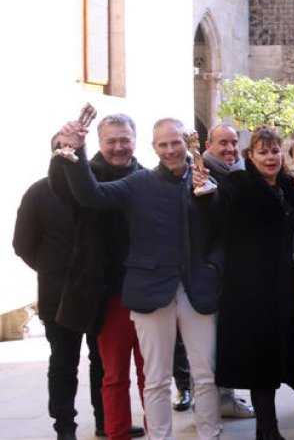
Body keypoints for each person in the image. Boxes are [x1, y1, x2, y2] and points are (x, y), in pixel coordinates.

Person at [54, 117, 222, 440]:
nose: (171, 150)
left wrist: (214, 266)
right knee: (156, 378)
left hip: (196, 290)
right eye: (163, 144)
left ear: (186, 144)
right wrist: (77, 151)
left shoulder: (205, 179)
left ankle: (210, 435)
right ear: (154, 147)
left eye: (176, 143)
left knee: (206, 375)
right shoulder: (139, 183)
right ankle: (159, 437)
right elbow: (90, 195)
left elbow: (221, 230)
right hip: (150, 290)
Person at [193, 127, 294, 440]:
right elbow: (216, 209)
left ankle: (268, 429)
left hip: (284, 286)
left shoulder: (288, 187)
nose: (270, 157)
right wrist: (203, 193)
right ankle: (267, 431)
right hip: (251, 291)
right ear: (250, 156)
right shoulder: (238, 184)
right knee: (261, 363)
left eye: (274, 151)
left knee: (276, 358)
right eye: (263, 152)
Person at [45, 113, 147, 440]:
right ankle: (100, 431)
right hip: (101, 293)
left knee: (152, 375)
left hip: (147, 292)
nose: (118, 147)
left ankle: (153, 431)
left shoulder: (146, 177)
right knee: (108, 372)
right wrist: (68, 152)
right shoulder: (85, 175)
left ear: (135, 140)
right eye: (111, 141)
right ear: (100, 143)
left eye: (124, 140)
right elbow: (64, 187)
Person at [16, 160, 105, 439]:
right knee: (63, 364)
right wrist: (51, 269)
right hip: (59, 295)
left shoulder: (94, 190)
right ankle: (65, 428)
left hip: (96, 292)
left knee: (103, 362)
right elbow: (22, 245)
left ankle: (105, 420)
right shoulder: (37, 193)